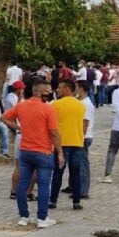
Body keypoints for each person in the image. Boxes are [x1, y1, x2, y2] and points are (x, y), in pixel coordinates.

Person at [1, 79, 63, 229]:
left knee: (22, 185)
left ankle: (24, 216)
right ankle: (42, 218)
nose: (50, 94)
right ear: (41, 91)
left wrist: (18, 127)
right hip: (44, 153)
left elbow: (3, 117)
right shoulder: (48, 109)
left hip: (26, 152)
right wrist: (60, 152)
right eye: (48, 91)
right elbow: (54, 133)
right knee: (43, 185)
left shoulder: (21, 106)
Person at [49, 80, 86, 211]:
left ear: (67, 89)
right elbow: (83, 124)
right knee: (75, 173)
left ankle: (53, 200)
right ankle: (76, 201)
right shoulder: (81, 106)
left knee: (58, 173)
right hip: (77, 142)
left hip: (62, 144)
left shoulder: (55, 105)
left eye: (59, 87)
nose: (57, 90)